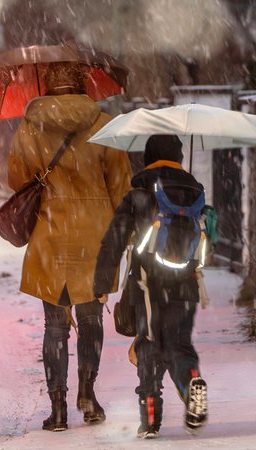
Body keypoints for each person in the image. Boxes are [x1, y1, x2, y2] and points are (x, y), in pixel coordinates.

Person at [7, 62, 132, 432]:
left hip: (50, 234)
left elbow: (16, 178)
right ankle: (88, 397)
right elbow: (121, 187)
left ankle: (58, 408)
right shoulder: (104, 125)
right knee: (91, 320)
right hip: (94, 237)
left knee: (55, 327)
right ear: (83, 85)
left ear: (47, 86)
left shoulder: (31, 126)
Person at [94, 134, 209, 439]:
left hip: (148, 284)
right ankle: (191, 380)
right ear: (179, 158)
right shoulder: (195, 192)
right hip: (186, 281)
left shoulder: (140, 194)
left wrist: (103, 283)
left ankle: (150, 414)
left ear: (148, 158)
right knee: (179, 343)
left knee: (148, 344)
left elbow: (114, 240)